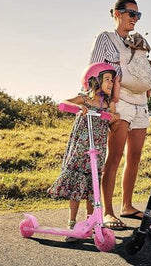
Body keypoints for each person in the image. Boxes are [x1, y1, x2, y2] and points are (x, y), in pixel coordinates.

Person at [89, 0, 151, 229]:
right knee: (114, 156)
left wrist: (147, 68)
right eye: (131, 13)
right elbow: (95, 70)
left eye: (138, 14)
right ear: (117, 13)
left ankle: (127, 205)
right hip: (121, 103)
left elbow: (140, 75)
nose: (135, 18)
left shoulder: (138, 43)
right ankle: (108, 211)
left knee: (134, 157)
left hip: (140, 103)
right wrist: (102, 104)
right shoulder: (106, 38)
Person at [47, 62, 120, 241]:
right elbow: (64, 102)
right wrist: (79, 108)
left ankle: (90, 223)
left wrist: (115, 118)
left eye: (113, 80)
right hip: (81, 150)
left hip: (98, 151)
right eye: (108, 79)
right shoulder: (84, 99)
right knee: (77, 188)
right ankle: (71, 224)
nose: (111, 83)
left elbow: (114, 128)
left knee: (92, 188)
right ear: (95, 81)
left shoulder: (108, 104)